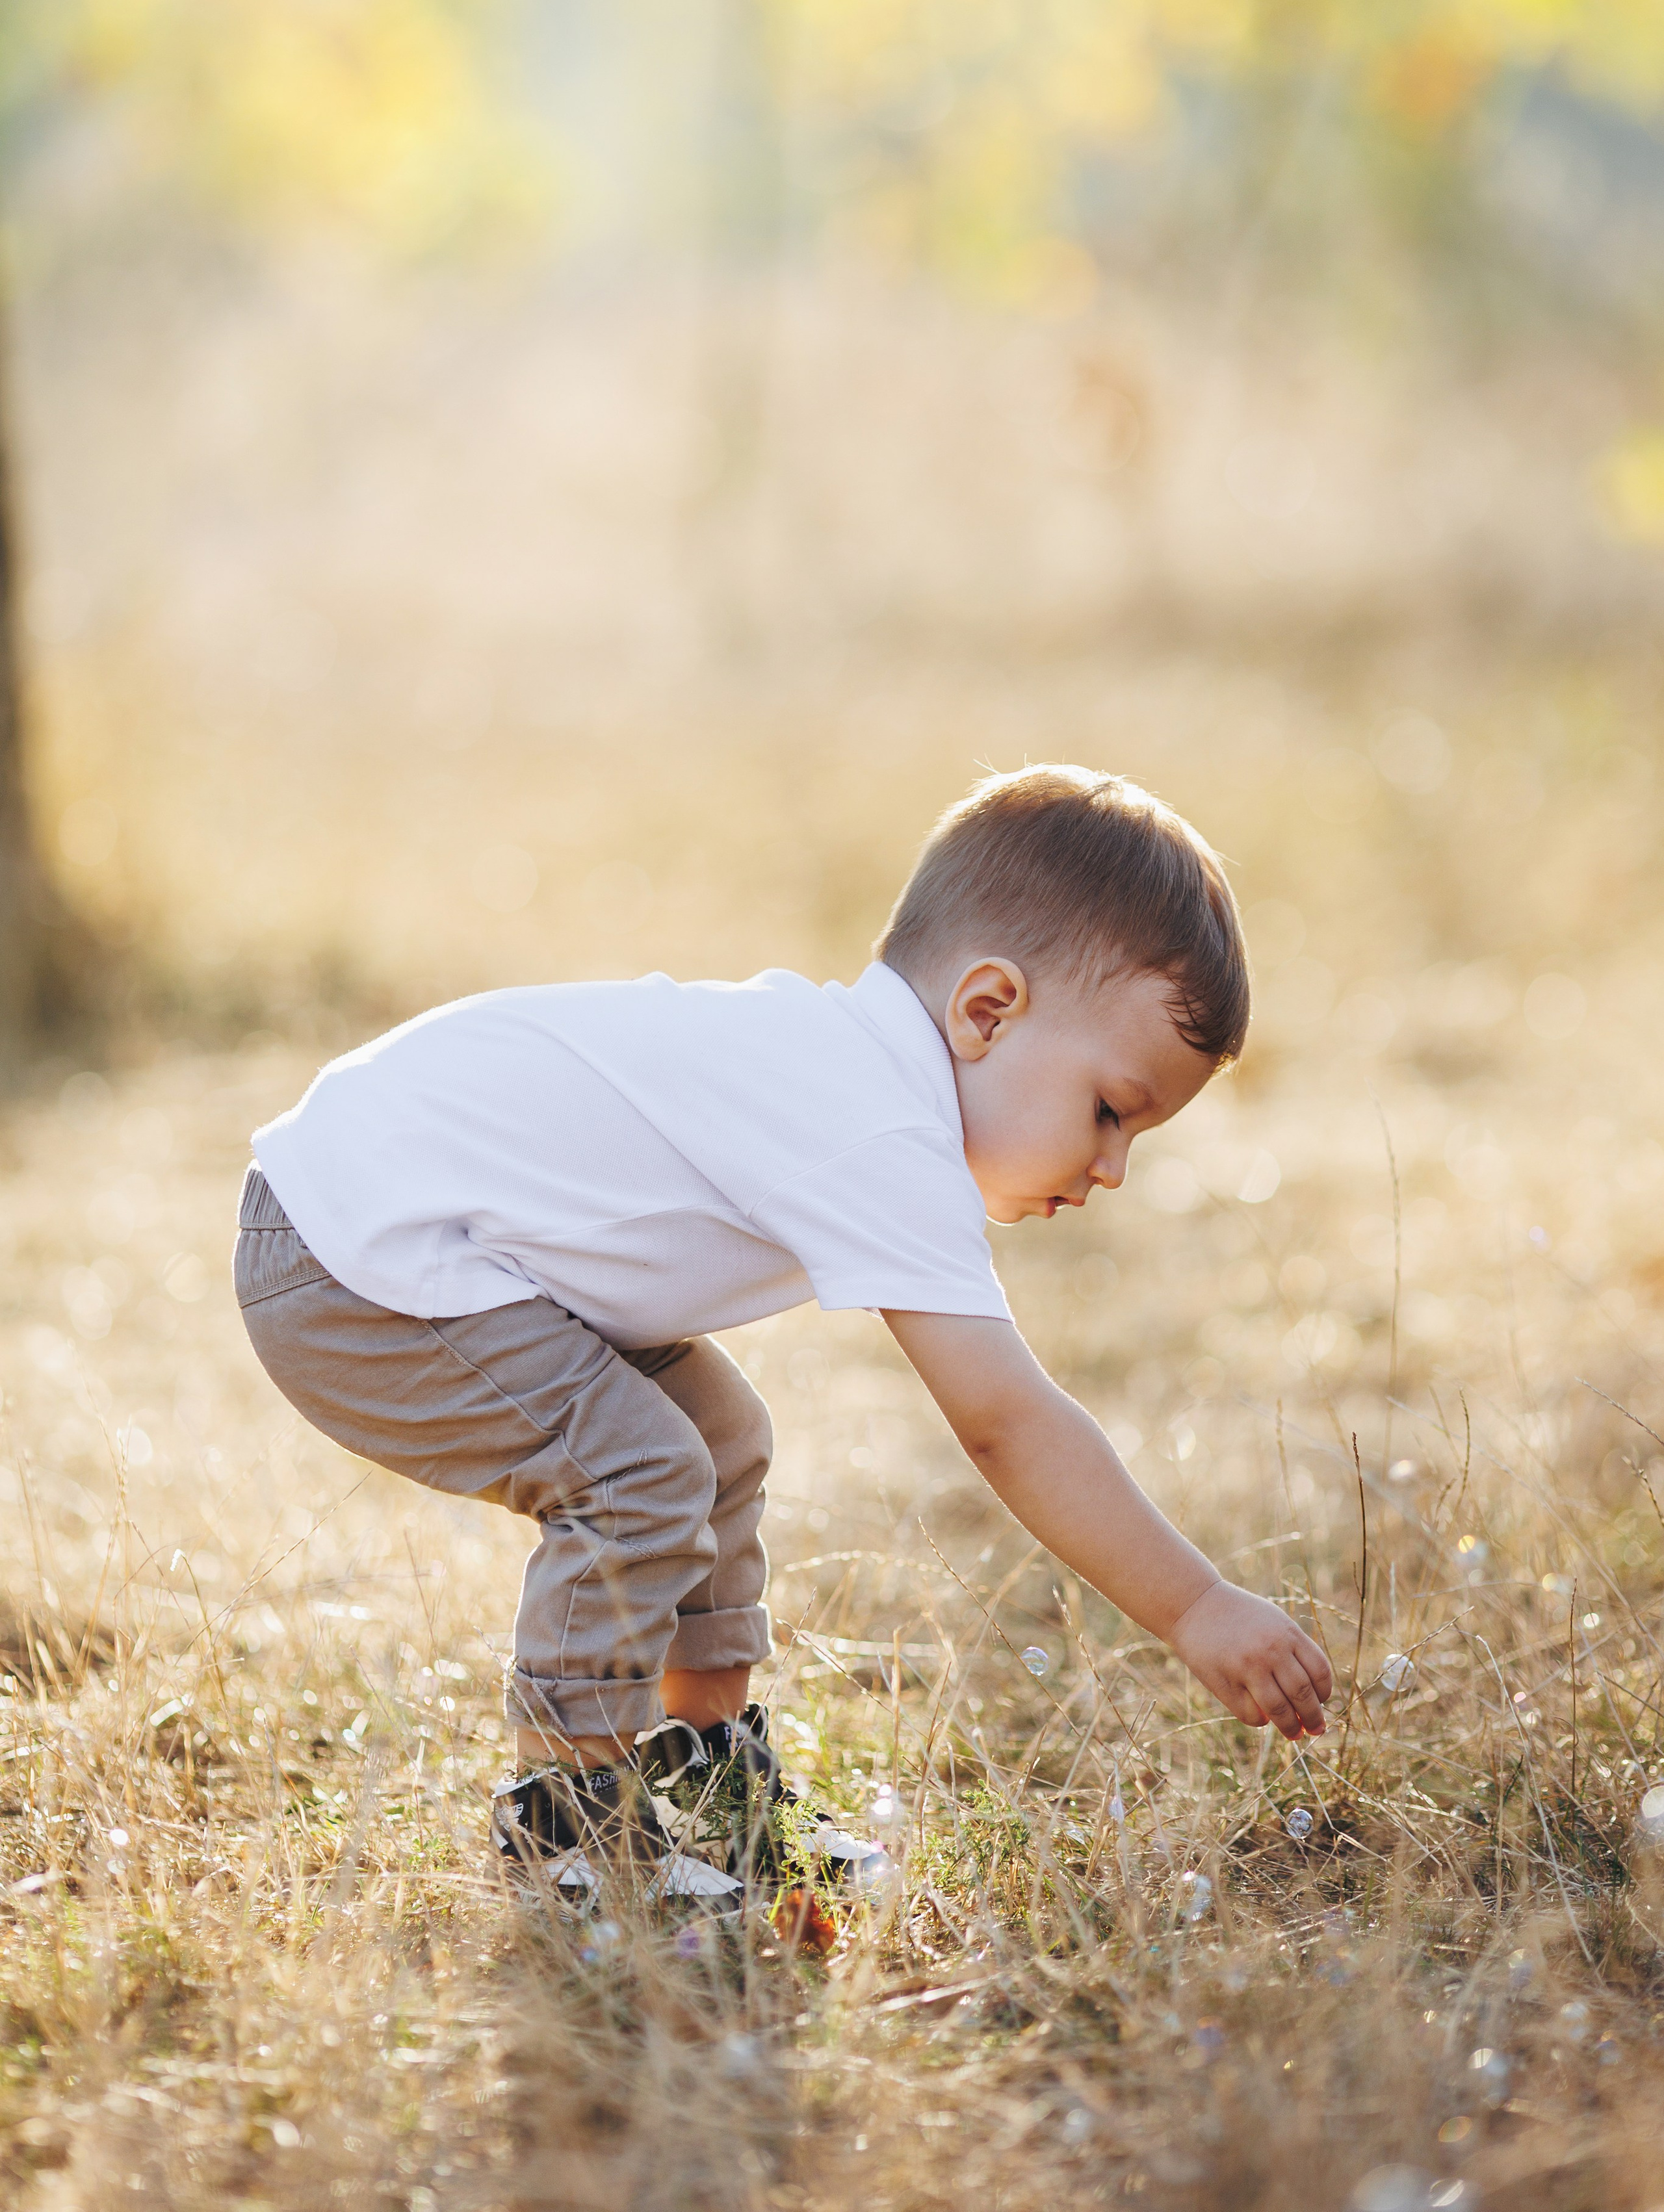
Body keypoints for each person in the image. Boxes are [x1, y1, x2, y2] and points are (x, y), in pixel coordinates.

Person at [233, 765, 1331, 1913]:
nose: (1111, 1166)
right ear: (987, 1009)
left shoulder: (846, 1064)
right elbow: (1008, 1423)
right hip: (348, 1261)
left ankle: (707, 1778)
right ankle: (570, 1829)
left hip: (416, 1220)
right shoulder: (882, 1124)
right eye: (1111, 1110)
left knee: (718, 1439)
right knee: (639, 1469)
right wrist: (1197, 1606)